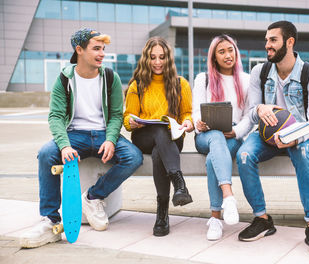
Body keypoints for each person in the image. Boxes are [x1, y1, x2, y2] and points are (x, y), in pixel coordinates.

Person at [20, 28, 143, 248]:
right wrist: (64, 145)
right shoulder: (63, 80)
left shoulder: (110, 77)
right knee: (47, 154)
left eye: (103, 49)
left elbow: (116, 115)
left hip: (104, 134)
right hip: (75, 135)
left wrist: (111, 139)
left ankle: (93, 196)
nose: (102, 54)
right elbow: (56, 117)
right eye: (96, 48)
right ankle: (50, 219)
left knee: (133, 156)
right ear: (79, 50)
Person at [236, 21, 309, 255]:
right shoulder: (260, 71)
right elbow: (251, 110)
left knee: (302, 152)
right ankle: (263, 219)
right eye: (266, 40)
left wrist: (294, 138)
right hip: (266, 135)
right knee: (244, 155)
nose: (267, 45)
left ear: (290, 42)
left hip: (299, 134)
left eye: (273, 40)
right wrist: (259, 110)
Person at [123, 36, 194, 237]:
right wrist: (132, 122)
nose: (157, 62)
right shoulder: (137, 85)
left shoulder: (181, 84)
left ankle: (162, 213)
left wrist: (188, 122)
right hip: (143, 136)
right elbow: (127, 118)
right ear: (146, 59)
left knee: (159, 151)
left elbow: (186, 113)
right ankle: (179, 184)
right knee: (159, 130)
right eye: (152, 57)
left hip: (172, 138)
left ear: (168, 59)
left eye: (161, 57)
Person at [192, 35, 252, 241]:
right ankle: (229, 197)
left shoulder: (246, 80)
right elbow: (195, 112)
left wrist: (236, 132)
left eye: (231, 50)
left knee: (212, 160)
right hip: (206, 136)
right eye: (222, 51)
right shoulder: (203, 79)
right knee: (215, 136)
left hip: (233, 135)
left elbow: (249, 117)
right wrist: (198, 123)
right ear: (214, 57)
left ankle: (216, 218)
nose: (228, 55)